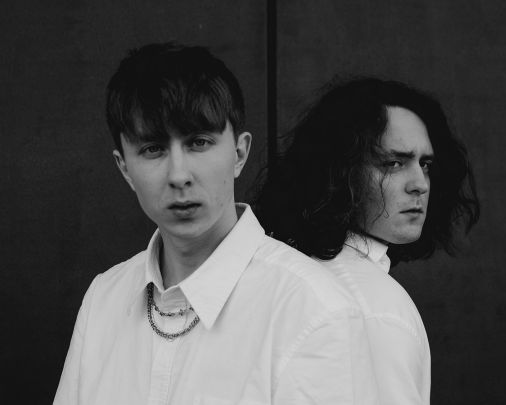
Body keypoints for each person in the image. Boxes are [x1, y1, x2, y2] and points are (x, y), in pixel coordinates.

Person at [53, 43, 379, 404]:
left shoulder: (313, 308)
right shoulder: (104, 299)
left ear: (239, 153)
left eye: (199, 142)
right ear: (125, 168)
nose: (179, 175)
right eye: (153, 149)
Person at [256, 77, 480, 405]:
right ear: (340, 170)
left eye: (425, 165)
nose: (420, 183)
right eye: (394, 164)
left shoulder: (289, 273)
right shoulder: (377, 309)